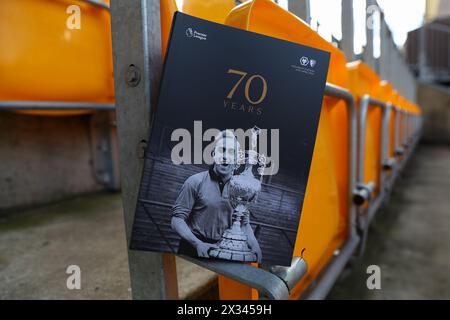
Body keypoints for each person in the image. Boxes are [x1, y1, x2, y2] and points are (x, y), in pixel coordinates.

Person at [171, 130, 262, 262]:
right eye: (221, 150)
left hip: (225, 250)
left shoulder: (240, 188)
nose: (225, 156)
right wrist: (197, 243)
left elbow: (244, 224)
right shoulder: (195, 181)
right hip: (192, 248)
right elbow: (176, 220)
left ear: (237, 159)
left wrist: (256, 247)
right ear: (214, 154)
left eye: (230, 152)